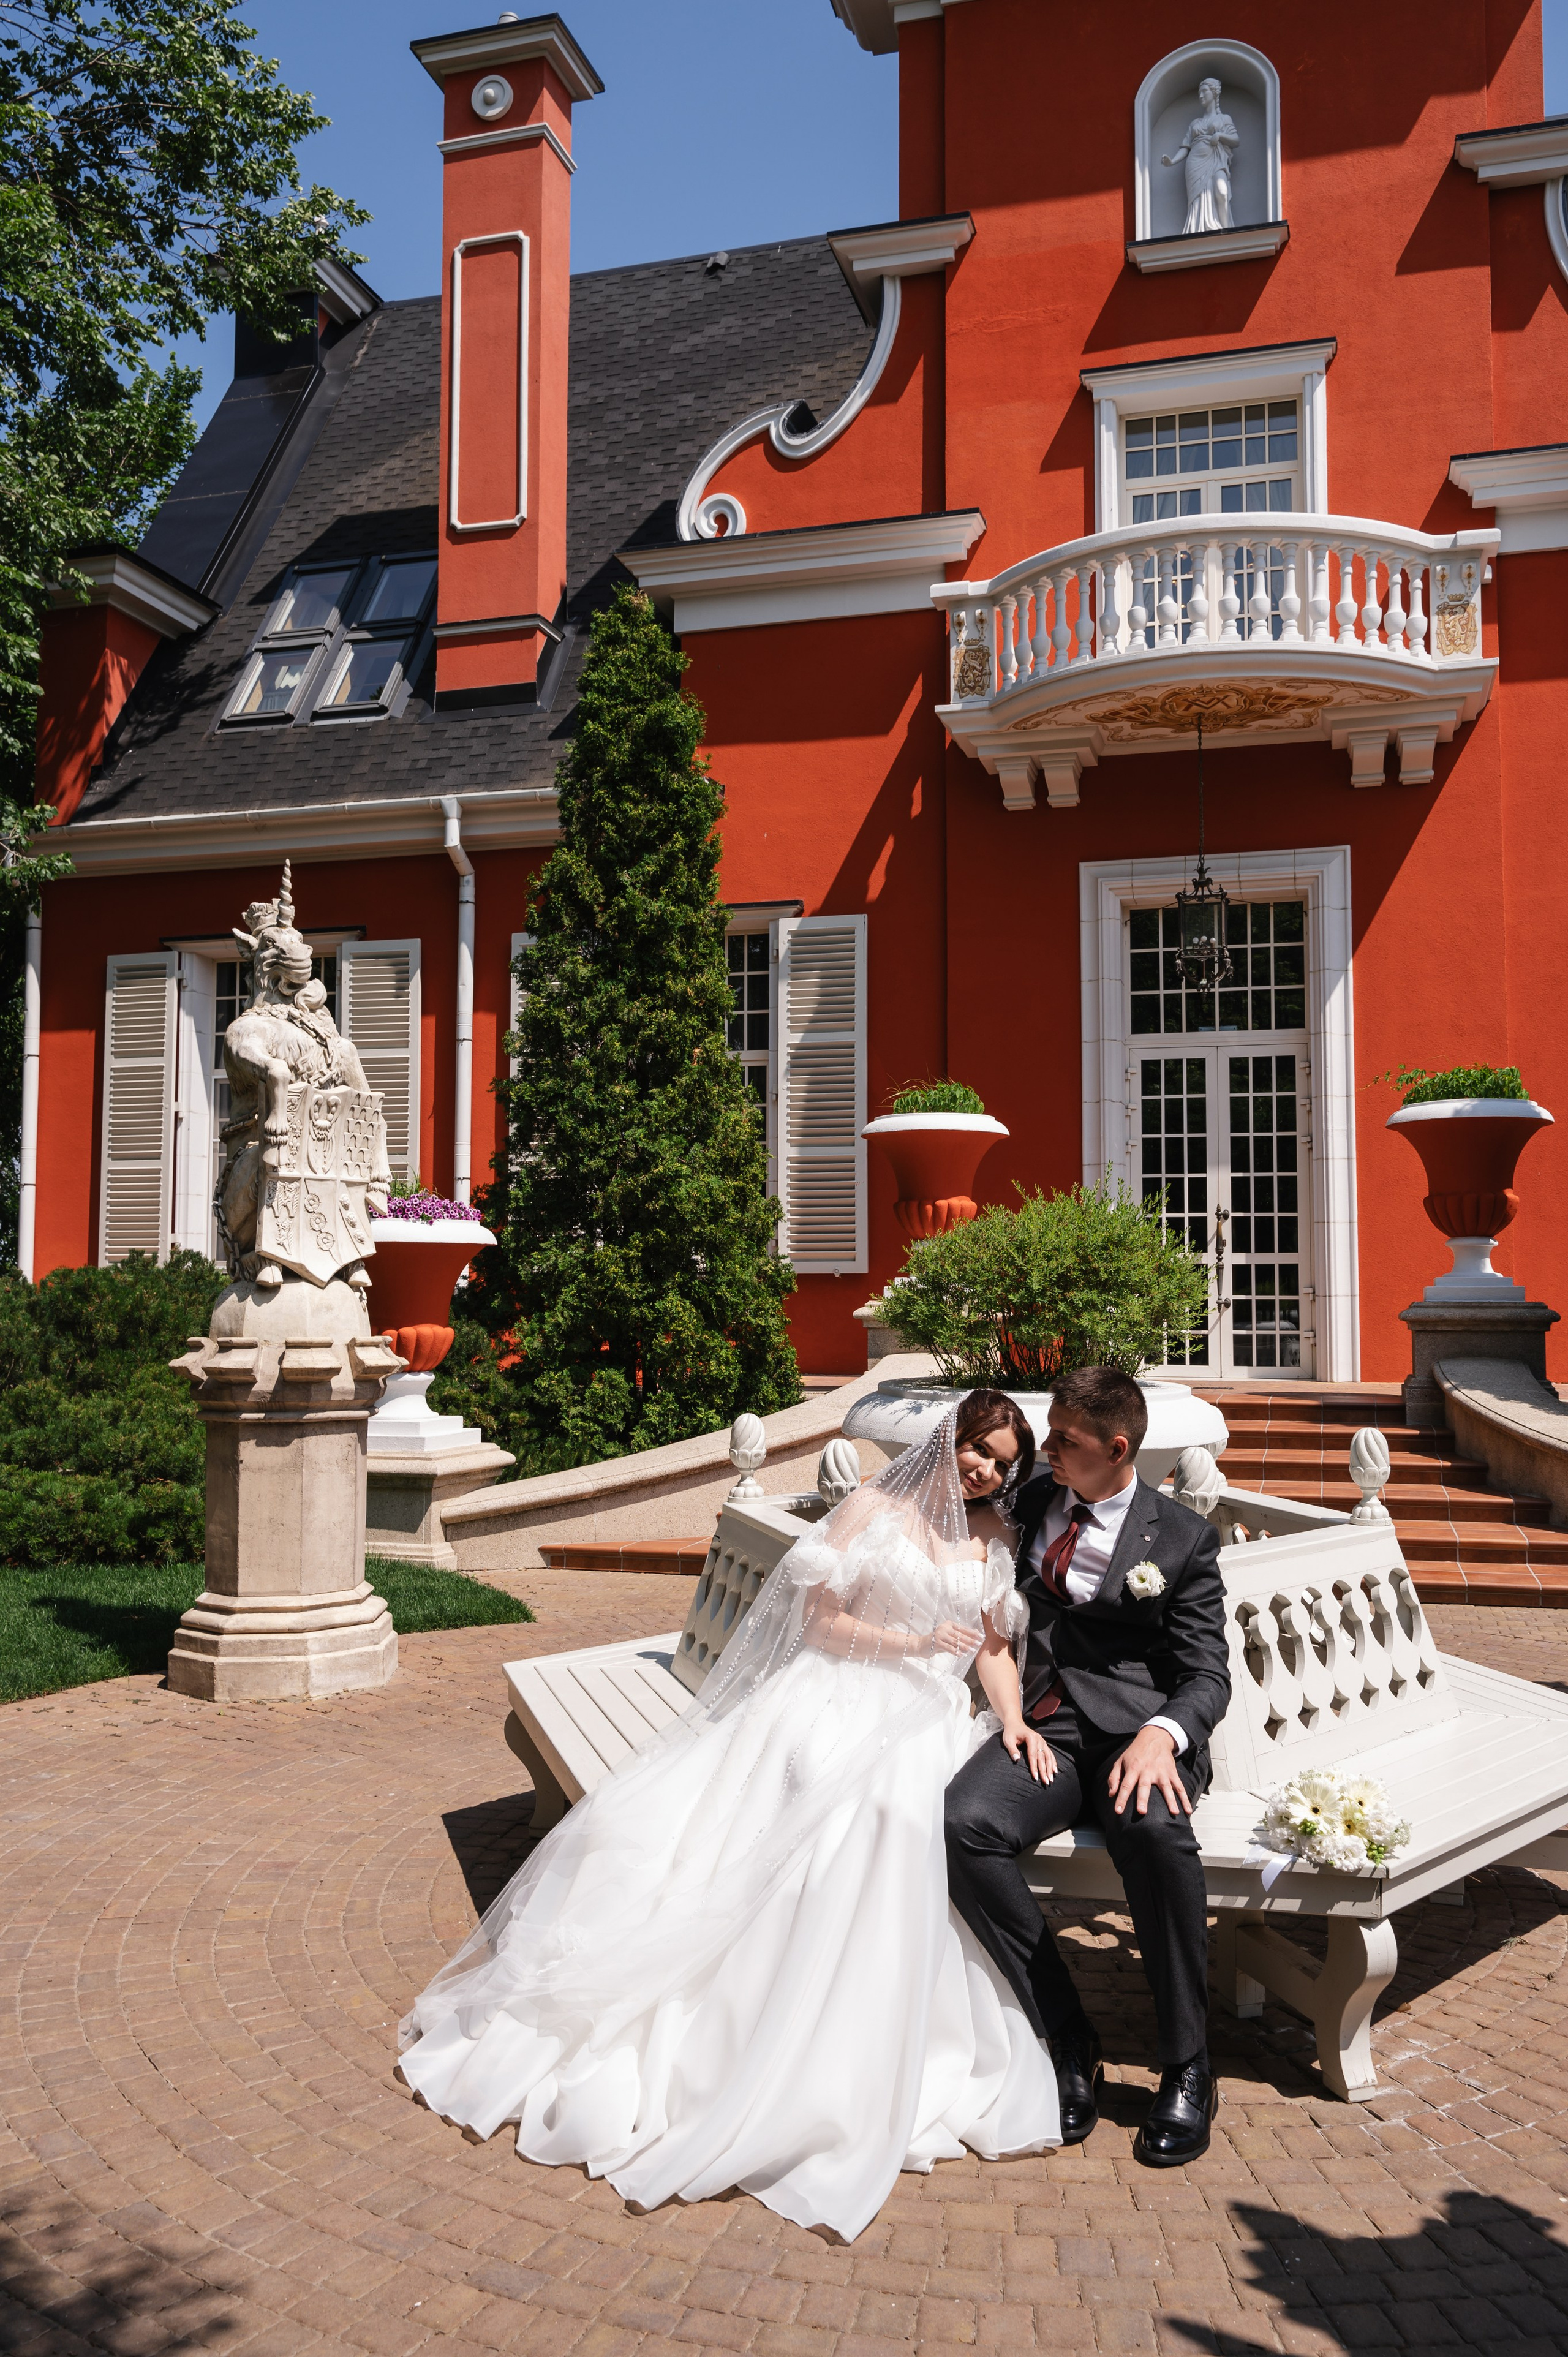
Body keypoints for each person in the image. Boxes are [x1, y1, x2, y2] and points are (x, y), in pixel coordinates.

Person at [398, 1394, 1059, 2243]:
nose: (986, 1471)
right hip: (842, 1689)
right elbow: (821, 1620)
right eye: (978, 1450)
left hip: (927, 1714)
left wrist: (1012, 1719)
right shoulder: (872, 1508)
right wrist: (916, 1644)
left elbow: (993, 1647)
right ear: (949, 1440)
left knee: (904, 1809)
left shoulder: (993, 1536)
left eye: (1003, 1463)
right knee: (832, 1790)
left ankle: (867, 2032)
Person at [944, 1365, 1230, 2168]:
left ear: (1117, 1448)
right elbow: (944, 1510)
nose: (1046, 1450)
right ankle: (1068, 2035)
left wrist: (1165, 1733)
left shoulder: (1182, 1539)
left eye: (1064, 1440)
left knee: (1156, 1835)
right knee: (963, 1823)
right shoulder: (1033, 1498)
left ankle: (1188, 2063)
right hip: (1046, 1732)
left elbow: (1207, 1672)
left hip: (1138, 1739)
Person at [1162, 77, 1239, 236]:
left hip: (1217, 160)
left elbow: (1236, 140)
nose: (1201, 96)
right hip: (1195, 164)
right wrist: (1172, 161)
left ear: (1214, 93)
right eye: (1199, 93)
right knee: (1198, 200)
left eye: (1204, 91)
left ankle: (1228, 234)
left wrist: (1220, 136)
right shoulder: (1195, 123)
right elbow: (1186, 147)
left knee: (1222, 192)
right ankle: (1198, 231)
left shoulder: (1224, 119)